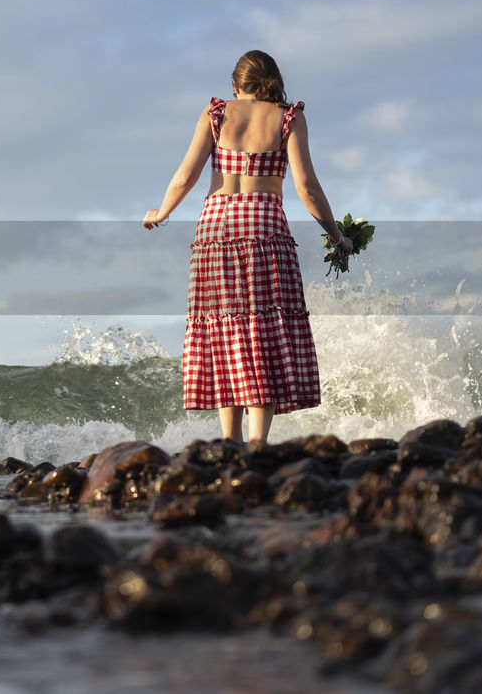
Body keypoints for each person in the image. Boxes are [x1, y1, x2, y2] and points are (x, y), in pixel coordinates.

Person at [142, 50, 351, 444]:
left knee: (225, 328)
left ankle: (230, 439)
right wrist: (337, 236)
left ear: (235, 85)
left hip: (215, 229)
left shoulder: (216, 114)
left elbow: (186, 175)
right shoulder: (289, 117)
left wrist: (161, 211)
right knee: (263, 327)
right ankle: (258, 442)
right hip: (263, 227)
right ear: (273, 80)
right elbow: (307, 188)